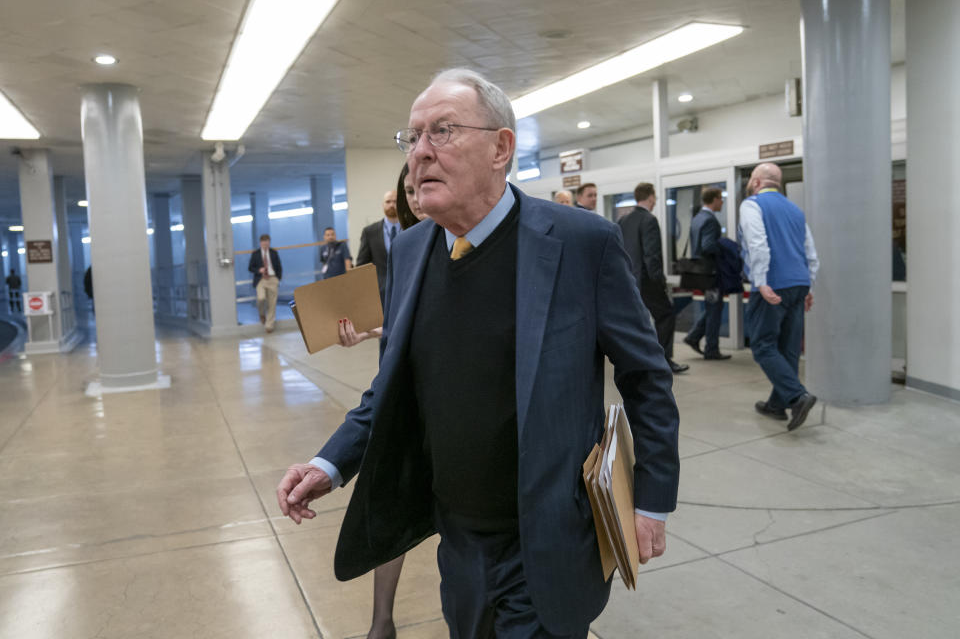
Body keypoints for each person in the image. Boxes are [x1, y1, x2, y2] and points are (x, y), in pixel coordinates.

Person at [278, 68, 680, 638]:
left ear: (501, 147)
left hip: (547, 535)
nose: (419, 153)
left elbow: (646, 378)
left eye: (441, 131)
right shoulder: (413, 250)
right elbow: (392, 388)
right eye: (412, 137)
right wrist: (330, 463)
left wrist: (652, 501)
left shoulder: (579, 243)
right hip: (457, 540)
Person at [338, 162, 423, 639]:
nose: (412, 199)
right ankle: (381, 621)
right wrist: (374, 329)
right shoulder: (403, 249)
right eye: (407, 191)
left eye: (419, 189)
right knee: (392, 501)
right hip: (400, 375)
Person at [739, 163, 819, 430]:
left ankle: (797, 397)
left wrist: (760, 281)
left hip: (772, 284)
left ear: (759, 182)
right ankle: (776, 405)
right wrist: (809, 287)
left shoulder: (752, 205)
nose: (750, 183)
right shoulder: (795, 210)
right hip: (798, 283)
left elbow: (757, 243)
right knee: (788, 347)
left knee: (762, 345)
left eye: (752, 178)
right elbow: (810, 252)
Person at [617, 183, 689, 374]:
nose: (655, 201)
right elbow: (652, 255)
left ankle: (636, 360)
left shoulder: (623, 220)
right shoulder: (649, 219)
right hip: (648, 281)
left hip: (628, 280)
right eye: (655, 197)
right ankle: (664, 360)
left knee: (636, 323)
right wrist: (659, 282)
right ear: (650, 197)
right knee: (666, 315)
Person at [683, 188, 731, 360]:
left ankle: (694, 336)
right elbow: (708, 245)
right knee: (714, 310)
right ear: (714, 199)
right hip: (711, 273)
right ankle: (711, 349)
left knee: (713, 306)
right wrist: (725, 248)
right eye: (721, 199)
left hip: (702, 273)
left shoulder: (697, 218)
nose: (723, 202)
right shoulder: (710, 220)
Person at [356, 190, 401, 303]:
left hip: (409, 289)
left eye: (395, 201)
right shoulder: (369, 232)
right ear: (383, 205)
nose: (391, 205)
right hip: (380, 294)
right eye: (388, 201)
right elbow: (362, 266)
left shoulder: (412, 228)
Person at [247, 234, 282, 333]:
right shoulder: (255, 254)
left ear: (269, 242)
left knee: (272, 303)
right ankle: (262, 314)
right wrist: (259, 270)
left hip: (272, 278)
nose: (265, 243)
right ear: (260, 242)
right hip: (261, 279)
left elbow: (279, 267)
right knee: (261, 298)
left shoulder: (274, 253)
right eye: (263, 241)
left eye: (267, 241)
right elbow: (250, 268)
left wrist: (277, 278)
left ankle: (269, 325)